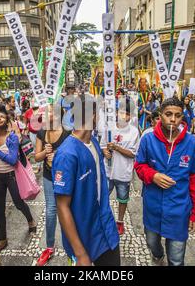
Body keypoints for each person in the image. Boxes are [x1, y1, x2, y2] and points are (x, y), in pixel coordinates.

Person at [134, 97, 195, 266]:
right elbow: (139, 166)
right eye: (168, 114)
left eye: (178, 115)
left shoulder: (191, 142)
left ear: (183, 117)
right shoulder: (148, 139)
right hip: (153, 207)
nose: (173, 119)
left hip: (179, 209)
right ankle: (158, 256)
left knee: (176, 258)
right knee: (152, 242)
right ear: (160, 115)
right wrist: (153, 175)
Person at [52, 94, 120, 266]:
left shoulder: (94, 143)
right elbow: (62, 205)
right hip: (83, 235)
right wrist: (80, 253)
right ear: (93, 116)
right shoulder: (66, 154)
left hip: (106, 228)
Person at [0, 111, 37, 252]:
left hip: (12, 176)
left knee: (19, 203)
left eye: (1, 117)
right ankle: (2, 239)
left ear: (7, 122)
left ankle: (30, 220)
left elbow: (13, 160)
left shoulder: (12, 137)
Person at [34, 104, 71, 266]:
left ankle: (73, 247)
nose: (45, 114)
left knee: (69, 210)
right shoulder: (42, 133)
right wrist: (45, 153)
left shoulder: (68, 134)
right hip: (49, 176)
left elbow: (72, 158)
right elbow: (36, 157)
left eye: (49, 112)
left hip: (65, 178)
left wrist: (58, 156)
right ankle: (49, 247)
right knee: (51, 211)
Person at [101, 101, 140, 235]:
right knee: (103, 196)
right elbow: (102, 145)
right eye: (122, 112)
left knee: (122, 198)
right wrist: (104, 151)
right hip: (107, 170)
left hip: (123, 172)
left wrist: (117, 147)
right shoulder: (109, 128)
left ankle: (120, 221)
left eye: (127, 114)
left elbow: (133, 154)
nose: (124, 116)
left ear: (130, 116)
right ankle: (104, 219)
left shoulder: (134, 132)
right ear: (117, 112)